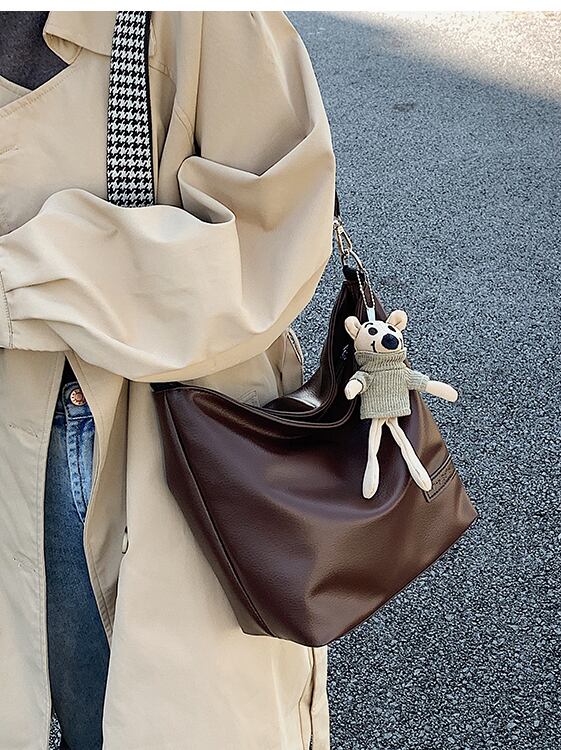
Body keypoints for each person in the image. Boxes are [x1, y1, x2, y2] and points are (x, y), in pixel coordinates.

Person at [0, 11, 335, 750]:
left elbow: (274, 233)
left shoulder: (194, 19)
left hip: (152, 435)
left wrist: (21, 278)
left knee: (160, 718)